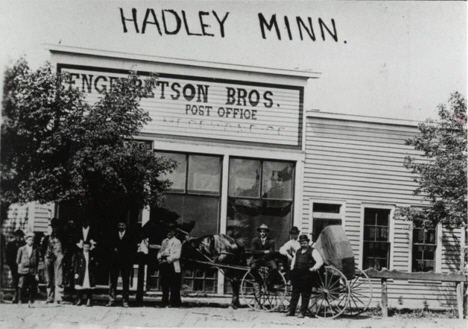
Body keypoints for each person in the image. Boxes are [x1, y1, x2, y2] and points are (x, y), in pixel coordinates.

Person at [286, 234, 324, 318]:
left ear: (308, 242)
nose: (303, 244)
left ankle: (302, 312)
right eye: (302, 243)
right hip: (297, 274)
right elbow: (293, 262)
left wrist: (313, 268)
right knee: (295, 293)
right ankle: (291, 311)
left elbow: (320, 261)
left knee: (305, 294)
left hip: (307, 275)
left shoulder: (313, 251)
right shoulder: (298, 251)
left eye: (305, 243)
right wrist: (292, 270)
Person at [107, 221, 136, 308]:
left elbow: (133, 248)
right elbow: (109, 246)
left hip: (126, 262)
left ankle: (125, 301)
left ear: (126, 226)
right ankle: (111, 300)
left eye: (122, 225)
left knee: (126, 281)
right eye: (119, 225)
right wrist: (113, 250)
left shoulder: (130, 235)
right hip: (115, 262)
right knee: (113, 281)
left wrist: (129, 258)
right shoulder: (113, 235)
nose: (121, 227)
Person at [157, 225, 182, 308]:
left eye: (171, 232)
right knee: (164, 284)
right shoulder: (164, 241)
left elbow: (177, 254)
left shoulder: (177, 242)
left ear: (174, 233)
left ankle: (173, 302)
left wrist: (168, 259)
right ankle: (164, 302)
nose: (169, 233)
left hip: (172, 264)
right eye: (168, 232)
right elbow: (160, 251)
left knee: (173, 284)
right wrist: (159, 257)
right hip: (164, 264)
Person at [42, 218, 65, 304]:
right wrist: (45, 256)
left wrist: (63, 256)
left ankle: (59, 297)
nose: (55, 228)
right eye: (53, 226)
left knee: (59, 278)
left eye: (56, 227)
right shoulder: (48, 237)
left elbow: (66, 247)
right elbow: (43, 247)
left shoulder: (62, 237)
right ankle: (49, 297)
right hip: (48, 258)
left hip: (58, 258)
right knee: (49, 278)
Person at [250, 223, 279, 289]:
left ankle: (269, 282)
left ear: (266, 233)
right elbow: (253, 252)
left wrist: (259, 252)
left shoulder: (271, 241)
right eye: (261, 232)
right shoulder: (255, 240)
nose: (262, 233)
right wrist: (264, 251)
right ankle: (259, 280)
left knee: (274, 268)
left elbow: (271, 252)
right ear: (259, 232)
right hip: (257, 260)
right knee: (253, 268)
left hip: (268, 260)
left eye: (264, 232)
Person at [16, 231, 40, 306]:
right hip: (23, 270)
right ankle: (19, 300)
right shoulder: (21, 249)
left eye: (32, 240)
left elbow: (37, 261)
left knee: (31, 286)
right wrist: (20, 266)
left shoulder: (36, 249)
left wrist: (36, 272)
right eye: (29, 240)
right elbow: (18, 260)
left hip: (32, 270)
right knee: (21, 285)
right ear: (26, 240)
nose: (31, 241)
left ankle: (30, 301)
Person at [73, 240, 97, 306]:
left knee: (89, 286)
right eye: (85, 247)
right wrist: (76, 272)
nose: (86, 248)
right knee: (80, 286)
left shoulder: (91, 254)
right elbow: (76, 264)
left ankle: (89, 299)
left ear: (89, 247)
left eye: (87, 247)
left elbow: (94, 264)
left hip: (89, 272)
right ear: (82, 247)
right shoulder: (79, 254)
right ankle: (79, 299)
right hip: (81, 272)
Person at [6, 230, 25, 303]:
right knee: (15, 280)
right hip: (14, 266)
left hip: (22, 266)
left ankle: (20, 296)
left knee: (22, 280)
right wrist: (11, 264)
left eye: (20, 236)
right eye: (17, 236)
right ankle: (16, 295)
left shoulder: (24, 245)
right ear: (15, 236)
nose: (19, 238)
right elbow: (8, 256)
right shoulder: (10, 244)